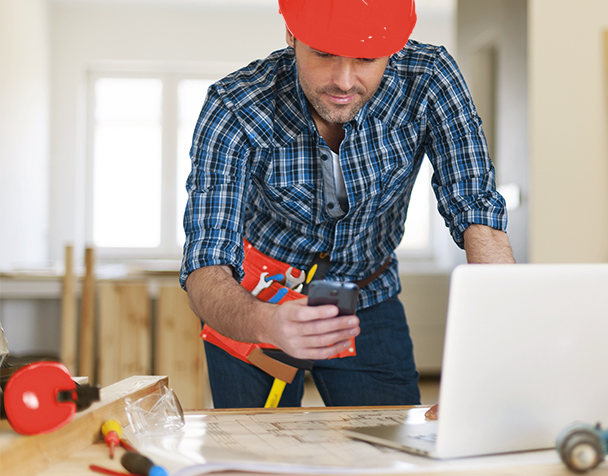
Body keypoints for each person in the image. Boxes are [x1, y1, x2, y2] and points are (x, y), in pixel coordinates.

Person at [180, 0, 515, 410]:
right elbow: (205, 262)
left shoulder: (429, 78)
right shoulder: (236, 105)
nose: (343, 80)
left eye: (366, 58)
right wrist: (265, 322)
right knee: (256, 459)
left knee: (392, 453)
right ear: (291, 36)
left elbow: (475, 207)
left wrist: (493, 356)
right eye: (322, 53)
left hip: (367, 294)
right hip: (257, 297)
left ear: (395, 47)